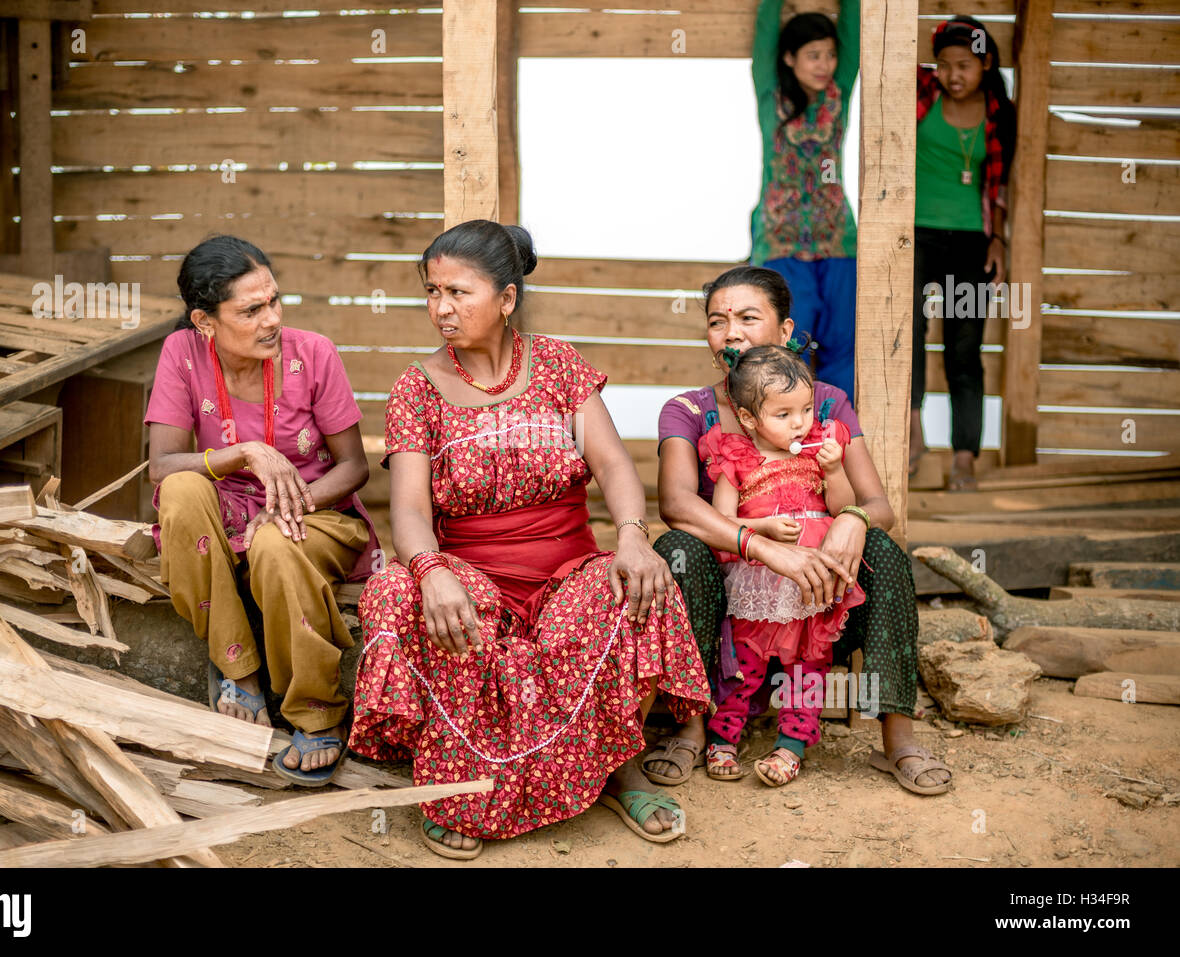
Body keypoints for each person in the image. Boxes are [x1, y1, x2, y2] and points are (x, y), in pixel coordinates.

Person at [349, 220, 710, 860]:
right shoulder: (416, 388)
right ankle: (458, 783)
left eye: (459, 292)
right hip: (470, 578)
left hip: (564, 570)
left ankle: (613, 770)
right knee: (393, 588)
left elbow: (615, 466)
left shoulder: (559, 365)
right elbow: (406, 508)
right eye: (432, 292)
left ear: (507, 299)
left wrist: (632, 534)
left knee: (631, 581)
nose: (441, 309)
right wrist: (431, 570)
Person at [642, 265, 953, 796]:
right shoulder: (690, 410)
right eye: (718, 321)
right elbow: (675, 504)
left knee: (884, 549)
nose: (731, 332)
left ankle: (898, 736)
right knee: (677, 550)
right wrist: (761, 545)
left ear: (785, 331)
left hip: (820, 594)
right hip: (728, 594)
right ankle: (691, 726)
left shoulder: (825, 404)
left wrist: (853, 521)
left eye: (747, 317)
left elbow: (877, 503)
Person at [145, 235, 377, 786]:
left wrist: (287, 505)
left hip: (313, 513)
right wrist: (247, 452)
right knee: (179, 492)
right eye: (251, 310)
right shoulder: (182, 354)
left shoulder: (313, 352)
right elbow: (161, 466)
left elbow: (354, 468)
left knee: (276, 544)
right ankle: (239, 669)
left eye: (274, 300)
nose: (271, 318)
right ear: (205, 322)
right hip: (222, 514)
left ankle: (316, 713)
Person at [700, 344, 866, 785]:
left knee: (809, 664)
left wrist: (835, 473)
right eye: (784, 413)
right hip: (759, 578)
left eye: (806, 408)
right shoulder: (735, 457)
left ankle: (791, 747)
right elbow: (721, 523)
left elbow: (845, 509)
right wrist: (766, 529)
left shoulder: (820, 449)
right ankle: (723, 737)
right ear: (750, 419)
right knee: (742, 665)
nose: (800, 422)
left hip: (814, 578)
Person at [909, 16, 1017, 490]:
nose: (953, 75)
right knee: (905, 333)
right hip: (911, 236)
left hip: (972, 242)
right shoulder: (918, 92)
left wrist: (1000, 239)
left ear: (986, 63)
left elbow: (1004, 185)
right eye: (945, 65)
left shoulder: (999, 112)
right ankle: (912, 433)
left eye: (965, 66)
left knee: (964, 348)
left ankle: (965, 458)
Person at [749, 0, 860, 397]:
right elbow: (765, 31)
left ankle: (838, 438)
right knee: (789, 348)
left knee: (844, 345)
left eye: (830, 55)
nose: (825, 64)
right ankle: (786, 445)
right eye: (813, 55)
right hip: (782, 242)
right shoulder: (770, 95)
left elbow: (853, 30)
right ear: (790, 58)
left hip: (838, 242)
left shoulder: (838, 95)